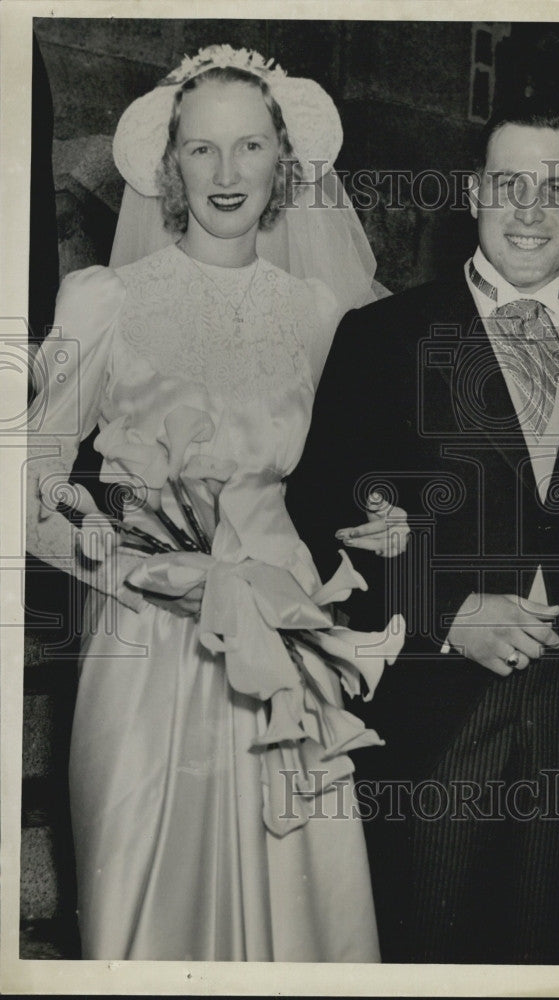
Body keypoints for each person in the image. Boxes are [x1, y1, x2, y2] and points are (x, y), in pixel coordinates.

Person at [25, 45, 404, 962]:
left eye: (248, 148)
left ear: (284, 162)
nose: (226, 174)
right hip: (144, 643)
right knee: (142, 907)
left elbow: (347, 478)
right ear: (170, 164)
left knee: (299, 914)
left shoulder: (324, 315)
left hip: (288, 644)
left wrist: (384, 518)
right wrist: (133, 569)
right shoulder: (102, 299)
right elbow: (22, 481)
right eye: (201, 150)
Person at [287, 107, 559, 963]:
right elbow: (320, 512)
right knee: (424, 954)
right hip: (433, 720)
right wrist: (443, 609)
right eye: (509, 184)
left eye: (558, 188)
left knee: (549, 965)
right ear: (473, 193)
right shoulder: (382, 338)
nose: (531, 210)